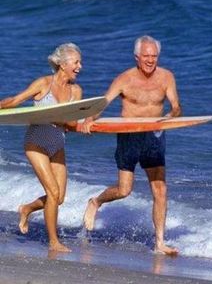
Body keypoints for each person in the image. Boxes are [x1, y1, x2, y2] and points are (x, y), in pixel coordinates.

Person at [81, 35, 182, 255]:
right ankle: (96, 202)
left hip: (154, 135)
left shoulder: (166, 77)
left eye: (154, 56)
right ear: (137, 56)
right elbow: (104, 102)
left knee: (160, 190)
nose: (150, 60)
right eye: (146, 55)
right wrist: (90, 119)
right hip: (128, 136)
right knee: (124, 190)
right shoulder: (124, 79)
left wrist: (172, 115)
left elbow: (176, 106)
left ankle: (160, 243)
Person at [0, 43, 82, 252]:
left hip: (57, 143)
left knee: (59, 197)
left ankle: (27, 208)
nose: (80, 67)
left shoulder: (76, 91)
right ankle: (54, 242)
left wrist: (85, 123)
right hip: (36, 142)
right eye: (76, 62)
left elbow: (72, 123)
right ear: (62, 64)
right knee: (52, 192)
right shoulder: (43, 83)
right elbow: (16, 100)